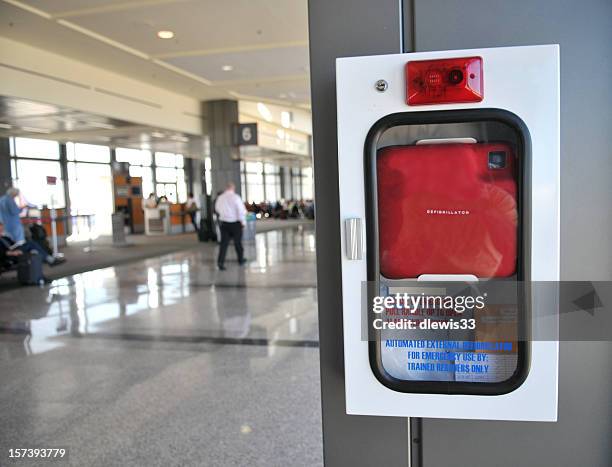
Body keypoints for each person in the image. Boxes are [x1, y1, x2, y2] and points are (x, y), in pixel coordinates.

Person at [0, 220, 64, 269]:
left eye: (2, 228)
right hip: (9, 255)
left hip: (14, 249)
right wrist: (12, 253)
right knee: (32, 244)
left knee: (34, 244)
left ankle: (48, 258)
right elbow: (2, 252)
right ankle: (49, 259)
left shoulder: (5, 237)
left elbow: (13, 244)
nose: (2, 230)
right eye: (1, 228)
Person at [214, 182, 247, 270]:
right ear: (233, 188)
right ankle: (240, 259)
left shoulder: (220, 197)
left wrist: (224, 215)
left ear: (226, 188)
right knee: (237, 242)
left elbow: (217, 208)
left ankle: (220, 263)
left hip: (224, 223)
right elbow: (241, 211)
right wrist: (243, 222)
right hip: (235, 223)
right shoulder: (236, 197)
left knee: (223, 244)